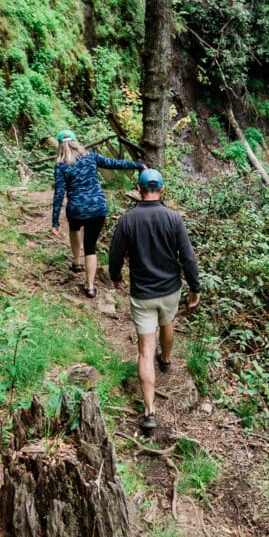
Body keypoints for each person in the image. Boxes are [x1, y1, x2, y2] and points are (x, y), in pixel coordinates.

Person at [109, 168, 200, 433]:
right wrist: (195, 287)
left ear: (138, 189)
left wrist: (115, 277)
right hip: (170, 289)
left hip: (142, 293)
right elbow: (188, 257)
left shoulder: (128, 220)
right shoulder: (174, 219)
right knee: (168, 323)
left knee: (144, 350)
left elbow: (115, 255)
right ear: (162, 190)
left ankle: (149, 412)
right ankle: (167, 360)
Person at [51, 130, 145, 298]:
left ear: (60, 146)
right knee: (90, 247)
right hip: (98, 207)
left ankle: (76, 262)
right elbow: (115, 163)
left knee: (74, 229)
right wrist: (137, 164)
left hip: (76, 209)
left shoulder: (61, 165)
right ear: (75, 142)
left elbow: (59, 194)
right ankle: (90, 286)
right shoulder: (91, 157)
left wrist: (55, 222)